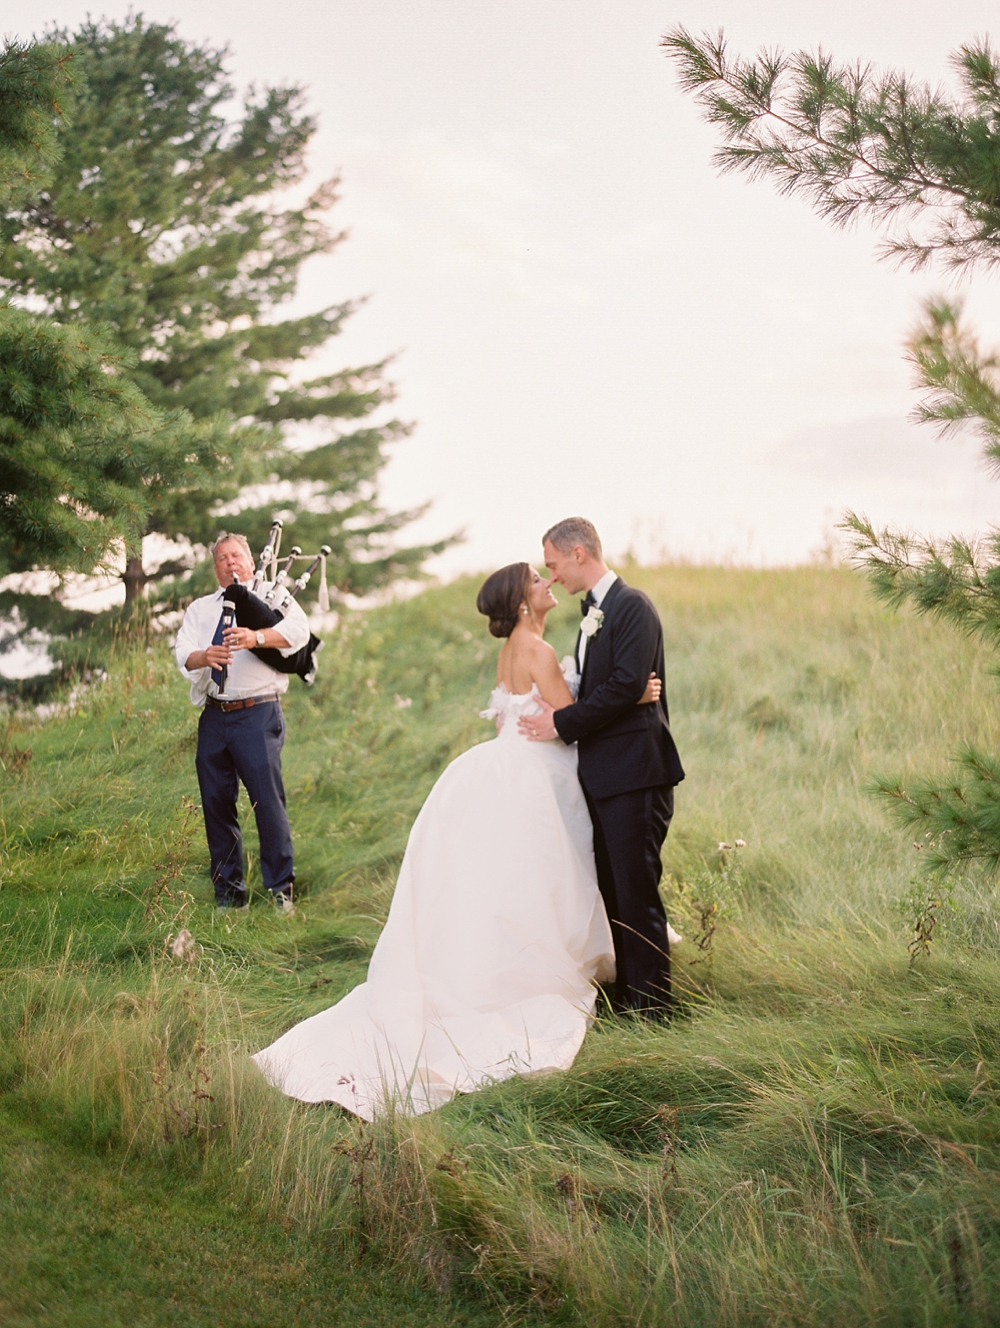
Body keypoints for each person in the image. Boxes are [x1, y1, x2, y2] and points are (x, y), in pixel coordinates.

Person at [252, 563, 662, 1119]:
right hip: (537, 776)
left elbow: (516, 714)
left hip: (511, 765)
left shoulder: (517, 646)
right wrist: (635, 697)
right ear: (522, 603)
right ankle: (545, 976)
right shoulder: (537, 650)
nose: (547, 585)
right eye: (538, 582)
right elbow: (573, 716)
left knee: (516, 884)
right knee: (544, 882)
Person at [519, 518, 685, 1017]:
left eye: (553, 565)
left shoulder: (631, 606)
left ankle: (655, 1010)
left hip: (637, 773)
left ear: (578, 553)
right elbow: (618, 688)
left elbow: (626, 680)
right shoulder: (592, 614)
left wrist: (563, 721)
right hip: (607, 776)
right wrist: (627, 693)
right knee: (614, 892)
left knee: (637, 893)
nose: (551, 578)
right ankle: (633, 1001)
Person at [174, 533, 311, 913]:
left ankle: (281, 890)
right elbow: (183, 652)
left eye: (236, 555)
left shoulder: (271, 594)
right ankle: (229, 897)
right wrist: (205, 655)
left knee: (267, 802)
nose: (230, 562)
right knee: (216, 805)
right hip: (215, 717)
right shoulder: (201, 609)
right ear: (215, 568)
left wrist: (256, 636)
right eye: (222, 558)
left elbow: (299, 632)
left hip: (258, 712)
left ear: (251, 562)